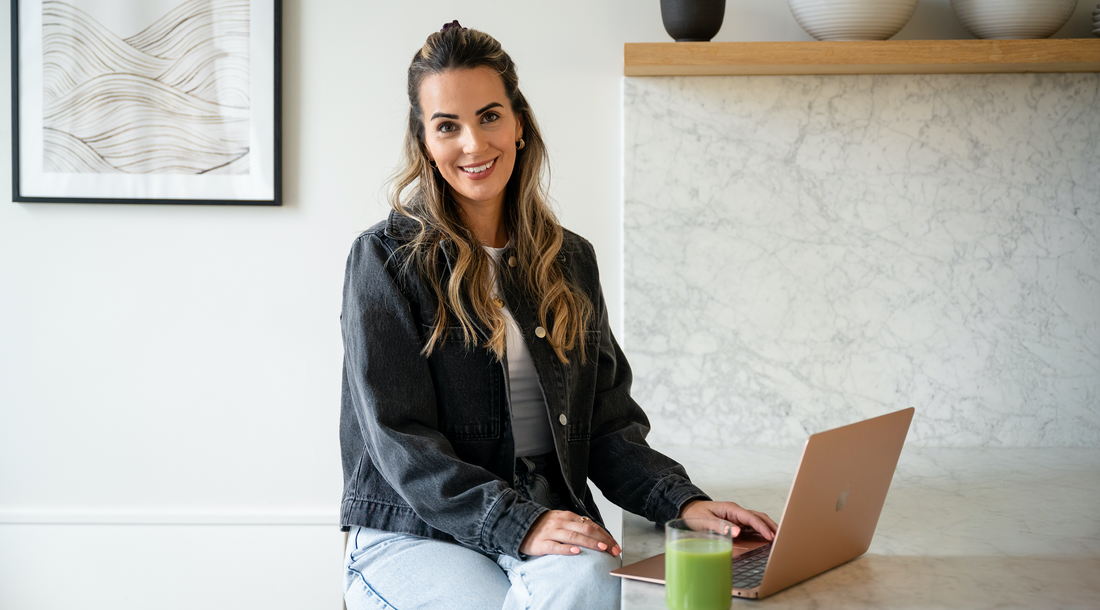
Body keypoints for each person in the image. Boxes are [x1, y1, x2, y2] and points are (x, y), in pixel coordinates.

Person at [340, 21, 778, 610]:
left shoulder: (568, 260)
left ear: (518, 124)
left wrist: (682, 502)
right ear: (425, 142)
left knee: (590, 581)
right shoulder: (385, 259)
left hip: (547, 514)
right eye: (448, 126)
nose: (473, 143)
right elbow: (401, 441)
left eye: (489, 116)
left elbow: (606, 425)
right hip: (417, 531)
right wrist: (512, 523)